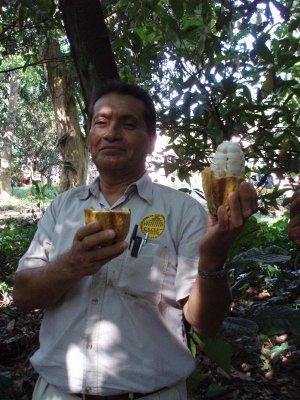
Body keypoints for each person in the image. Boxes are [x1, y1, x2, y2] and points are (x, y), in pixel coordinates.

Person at [13, 80, 258, 400]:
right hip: (56, 392)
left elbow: (204, 323)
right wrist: (71, 265)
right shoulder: (63, 207)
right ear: (90, 136)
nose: (111, 133)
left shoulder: (182, 211)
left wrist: (213, 258)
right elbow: (22, 294)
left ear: (151, 141)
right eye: (101, 122)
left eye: (128, 124)